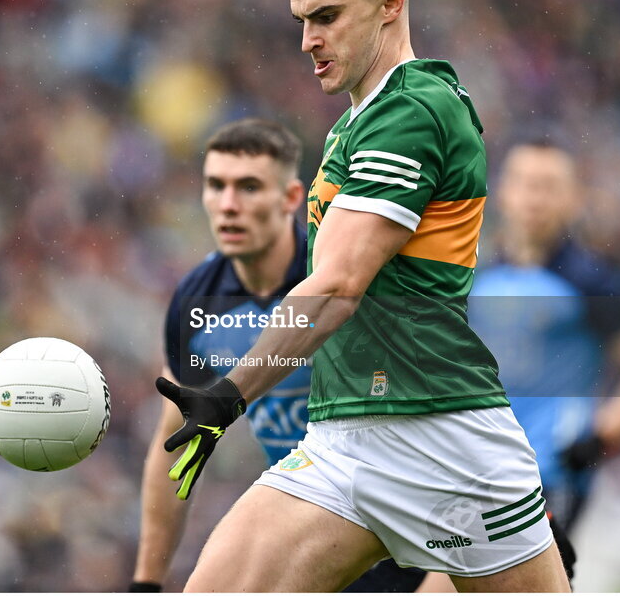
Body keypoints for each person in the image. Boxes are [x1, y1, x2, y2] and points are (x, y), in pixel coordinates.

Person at [155, 0, 571, 591]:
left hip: (446, 443)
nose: (307, 41)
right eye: (300, 21)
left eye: (325, 17)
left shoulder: (413, 110)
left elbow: (339, 284)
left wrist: (230, 394)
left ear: (390, 5)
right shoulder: (356, 120)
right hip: (344, 437)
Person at [130, 118, 427, 592]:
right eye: (216, 186)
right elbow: (174, 446)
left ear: (291, 199)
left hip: (412, 521)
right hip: (311, 513)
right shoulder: (197, 303)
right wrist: (145, 583)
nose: (228, 205)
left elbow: (445, 399)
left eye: (249, 187)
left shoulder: (342, 279)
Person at [468, 139, 620, 531]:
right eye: (525, 184)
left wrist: (604, 433)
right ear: (504, 192)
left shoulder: (593, 280)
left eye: (549, 187)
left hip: (551, 477)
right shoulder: (477, 272)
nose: (535, 199)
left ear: (574, 198)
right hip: (478, 467)